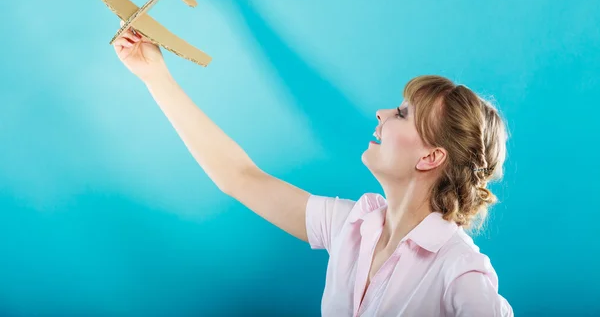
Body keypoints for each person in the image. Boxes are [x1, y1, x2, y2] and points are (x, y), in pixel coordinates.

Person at [112, 27, 514, 316]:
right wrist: (155, 76)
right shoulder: (354, 226)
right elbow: (239, 176)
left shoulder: (460, 270)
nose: (382, 112)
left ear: (430, 158)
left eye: (403, 114)